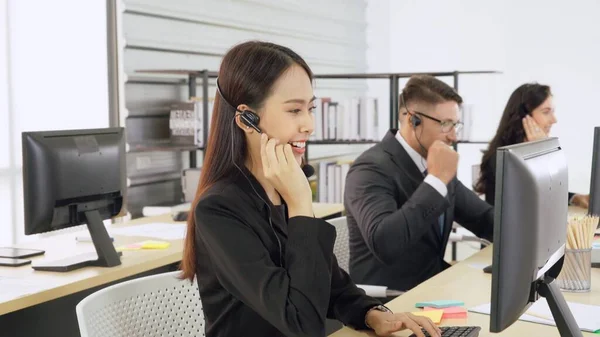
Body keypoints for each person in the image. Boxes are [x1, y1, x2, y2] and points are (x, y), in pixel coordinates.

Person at [179, 41, 441, 337]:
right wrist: (301, 205)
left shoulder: (282, 189)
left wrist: (372, 314)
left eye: (310, 108)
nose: (309, 125)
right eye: (294, 110)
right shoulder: (220, 209)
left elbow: (332, 286)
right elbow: (302, 324)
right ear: (246, 120)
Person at [344, 75, 495, 293]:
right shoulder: (370, 169)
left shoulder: (434, 164)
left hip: (432, 290)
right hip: (390, 302)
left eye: (455, 125)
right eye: (445, 124)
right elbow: (385, 243)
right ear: (412, 120)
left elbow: (483, 219)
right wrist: (436, 181)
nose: (453, 136)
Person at [474, 83, 590, 208]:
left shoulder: (527, 153)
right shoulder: (505, 158)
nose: (554, 120)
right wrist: (544, 152)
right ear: (524, 117)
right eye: (546, 112)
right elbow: (539, 199)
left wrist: (575, 198)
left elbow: (547, 192)